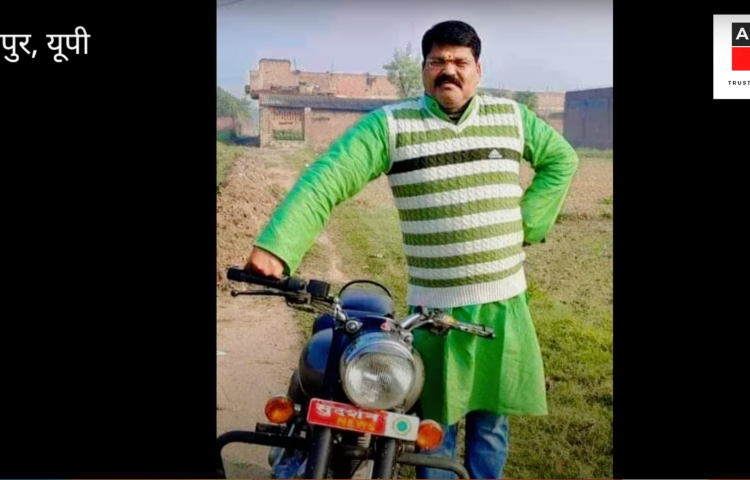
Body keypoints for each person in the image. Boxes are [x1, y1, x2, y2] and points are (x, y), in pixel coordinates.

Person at [244, 20, 578, 479]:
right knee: (434, 428)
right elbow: (329, 176)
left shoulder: (513, 118)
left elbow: (562, 159)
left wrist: (530, 221)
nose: (449, 70)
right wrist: (277, 248)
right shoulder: (391, 125)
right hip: (434, 314)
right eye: (437, 61)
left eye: (460, 61)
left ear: (478, 69)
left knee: (492, 425)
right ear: (423, 70)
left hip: (505, 306)